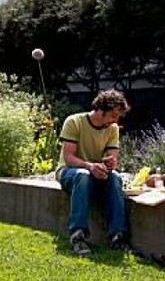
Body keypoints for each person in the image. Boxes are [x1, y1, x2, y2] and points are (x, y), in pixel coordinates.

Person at [56, 89, 131, 256]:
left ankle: (117, 236)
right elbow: (69, 158)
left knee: (116, 177)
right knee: (83, 175)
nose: (115, 120)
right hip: (70, 173)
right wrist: (90, 166)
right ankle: (78, 237)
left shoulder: (112, 128)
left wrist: (111, 162)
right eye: (113, 115)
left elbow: (112, 157)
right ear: (100, 109)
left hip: (96, 173)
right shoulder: (74, 122)